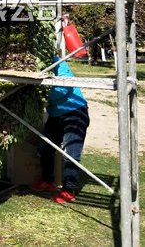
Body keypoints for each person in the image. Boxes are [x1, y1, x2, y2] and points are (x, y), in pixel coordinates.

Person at [31, 57, 90, 203]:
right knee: (45, 148)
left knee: (71, 153)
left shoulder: (57, 62)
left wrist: (42, 92)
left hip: (75, 110)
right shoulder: (33, 63)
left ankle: (69, 190)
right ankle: (48, 181)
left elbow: (65, 86)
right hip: (55, 114)